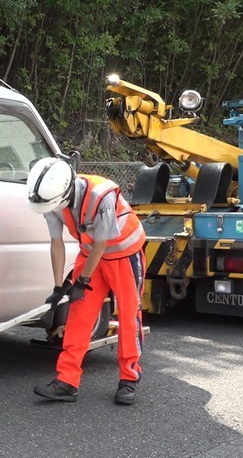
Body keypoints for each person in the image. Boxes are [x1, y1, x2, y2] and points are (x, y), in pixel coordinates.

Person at [27, 156, 146, 405]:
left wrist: (81, 280)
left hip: (124, 254)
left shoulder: (102, 195)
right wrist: (59, 286)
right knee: (79, 315)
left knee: (127, 315)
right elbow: (56, 243)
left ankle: (129, 377)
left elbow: (102, 243)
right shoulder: (50, 198)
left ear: (66, 192)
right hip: (90, 254)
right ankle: (67, 381)